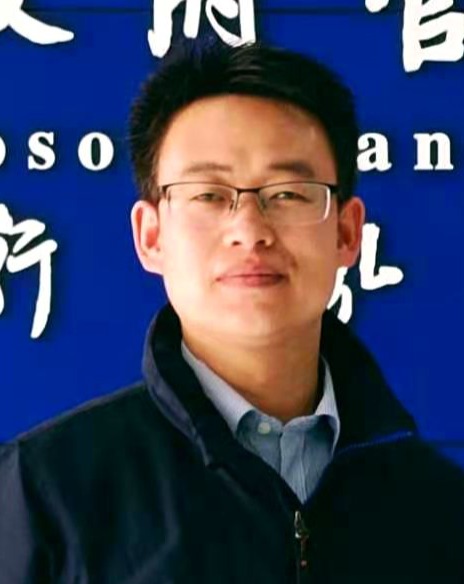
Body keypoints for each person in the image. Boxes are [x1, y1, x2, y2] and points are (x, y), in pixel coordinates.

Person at [0, 40, 463, 584]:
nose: (250, 230)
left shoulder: (440, 507)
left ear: (347, 232)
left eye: (288, 193)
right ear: (151, 237)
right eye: (209, 195)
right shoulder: (44, 493)